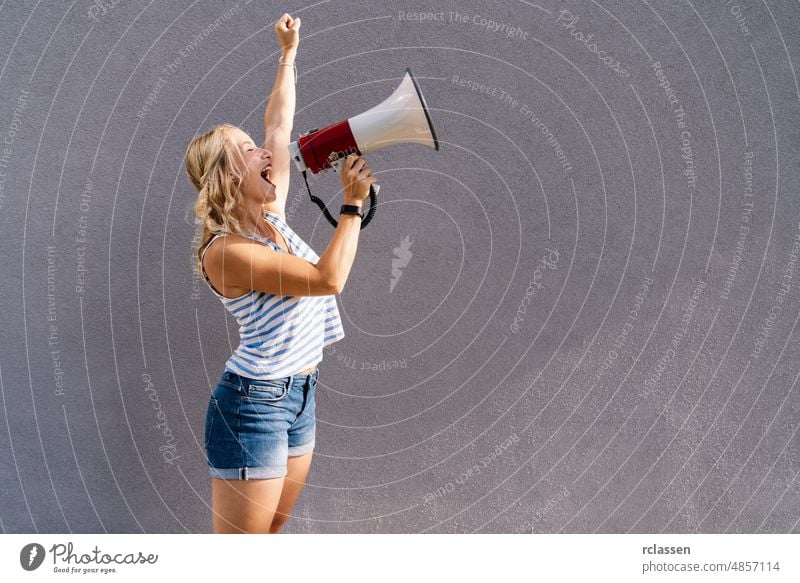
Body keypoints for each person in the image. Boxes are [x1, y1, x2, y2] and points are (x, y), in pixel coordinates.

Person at [183, 13, 376, 534]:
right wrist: (352, 206)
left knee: (268, 539)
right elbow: (327, 279)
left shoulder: (272, 217)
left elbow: (278, 123)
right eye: (249, 152)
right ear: (227, 176)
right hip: (253, 404)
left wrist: (288, 52)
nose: (266, 152)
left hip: (300, 393)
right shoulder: (226, 253)